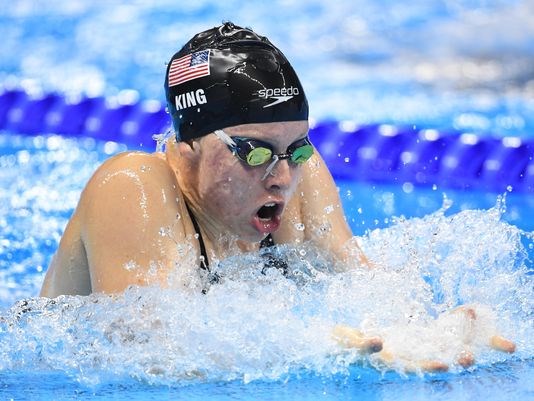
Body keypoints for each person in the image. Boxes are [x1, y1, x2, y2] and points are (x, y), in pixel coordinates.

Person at [39, 22, 515, 370]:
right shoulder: (132, 186)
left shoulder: (297, 172)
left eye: (295, 148)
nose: (282, 176)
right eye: (254, 153)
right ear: (186, 148)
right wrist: (311, 348)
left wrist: (424, 333)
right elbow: (148, 354)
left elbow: (361, 280)